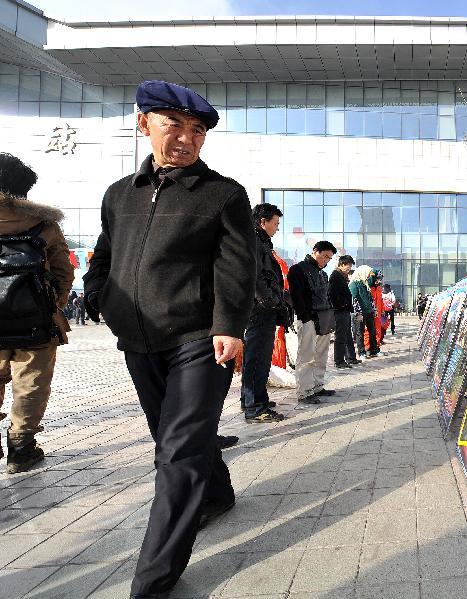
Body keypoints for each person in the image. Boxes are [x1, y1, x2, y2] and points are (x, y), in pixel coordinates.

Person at [82, 80, 255, 598]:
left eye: (197, 130)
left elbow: (236, 268)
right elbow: (104, 254)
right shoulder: (120, 194)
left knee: (176, 454)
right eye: (173, 125)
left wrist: (228, 327)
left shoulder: (223, 194)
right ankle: (217, 494)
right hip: (139, 340)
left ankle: (153, 582)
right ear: (144, 124)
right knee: (172, 436)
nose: (186, 138)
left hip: (201, 339)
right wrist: (99, 296)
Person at [0, 153, 75, 474]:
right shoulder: (44, 225)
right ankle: (21, 448)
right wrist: (51, 304)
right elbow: (63, 272)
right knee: (30, 383)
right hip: (35, 322)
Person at [241, 202, 290, 423]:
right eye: (275, 223)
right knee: (256, 357)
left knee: (260, 357)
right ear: (263, 222)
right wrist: (271, 301)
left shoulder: (260, 242)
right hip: (259, 309)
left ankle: (255, 398)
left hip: (263, 307)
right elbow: (256, 276)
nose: (277, 228)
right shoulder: (254, 241)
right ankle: (254, 407)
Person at [288, 240, 337, 404]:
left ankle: (317, 386)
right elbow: (296, 297)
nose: (326, 260)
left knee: (321, 355)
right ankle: (304, 391)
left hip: (324, 317)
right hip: (308, 318)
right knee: (306, 355)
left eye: (329, 258)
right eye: (324, 256)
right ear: (315, 251)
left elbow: (327, 296)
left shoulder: (323, 274)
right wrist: (305, 317)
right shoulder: (297, 269)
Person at [329, 254, 361, 369]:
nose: (349, 269)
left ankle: (351, 357)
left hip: (344, 310)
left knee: (348, 335)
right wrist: (342, 304)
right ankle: (339, 361)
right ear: (342, 265)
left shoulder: (341, 276)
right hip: (340, 311)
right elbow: (332, 295)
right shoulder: (335, 276)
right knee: (340, 336)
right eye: (348, 266)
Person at [349, 265, 379, 358]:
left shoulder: (365, 283)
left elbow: (370, 299)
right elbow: (354, 299)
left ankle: (374, 350)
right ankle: (361, 352)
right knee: (360, 333)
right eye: (368, 274)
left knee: (372, 331)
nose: (369, 276)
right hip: (360, 313)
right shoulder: (353, 284)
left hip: (369, 311)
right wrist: (358, 313)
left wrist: (374, 309)